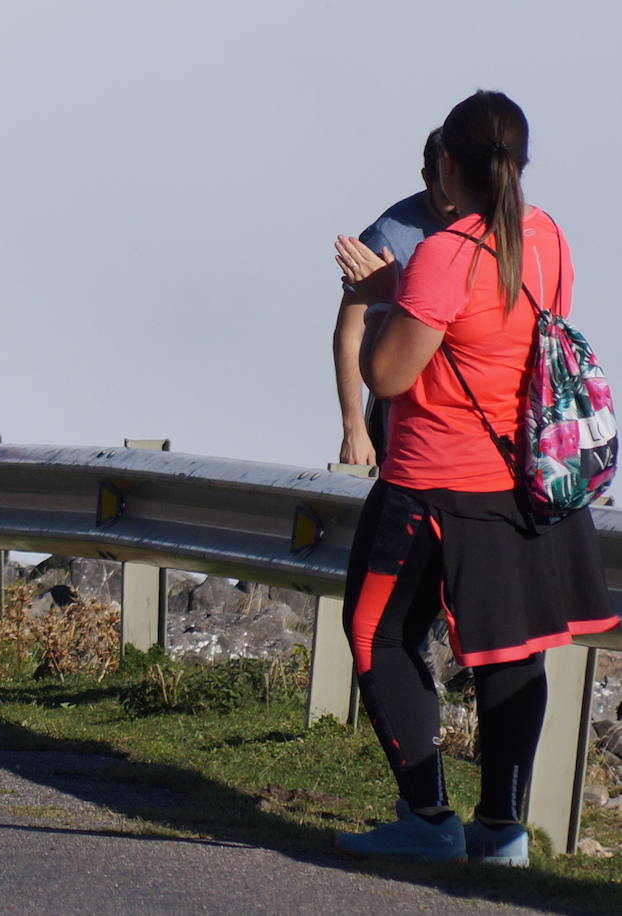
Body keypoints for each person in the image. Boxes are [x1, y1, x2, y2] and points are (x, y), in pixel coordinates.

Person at [332, 91, 618, 866]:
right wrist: (406, 293)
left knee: (377, 636)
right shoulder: (545, 236)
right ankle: (502, 834)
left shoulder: (444, 253)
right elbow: (501, 327)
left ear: (447, 165)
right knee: (510, 652)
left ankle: (427, 818)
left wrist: (375, 301)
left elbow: (387, 376)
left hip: (430, 484)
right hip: (523, 483)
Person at [332, 130, 456, 466]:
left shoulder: (491, 224)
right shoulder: (389, 236)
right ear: (427, 177)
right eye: (444, 188)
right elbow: (351, 332)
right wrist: (354, 428)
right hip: (403, 410)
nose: (454, 200)